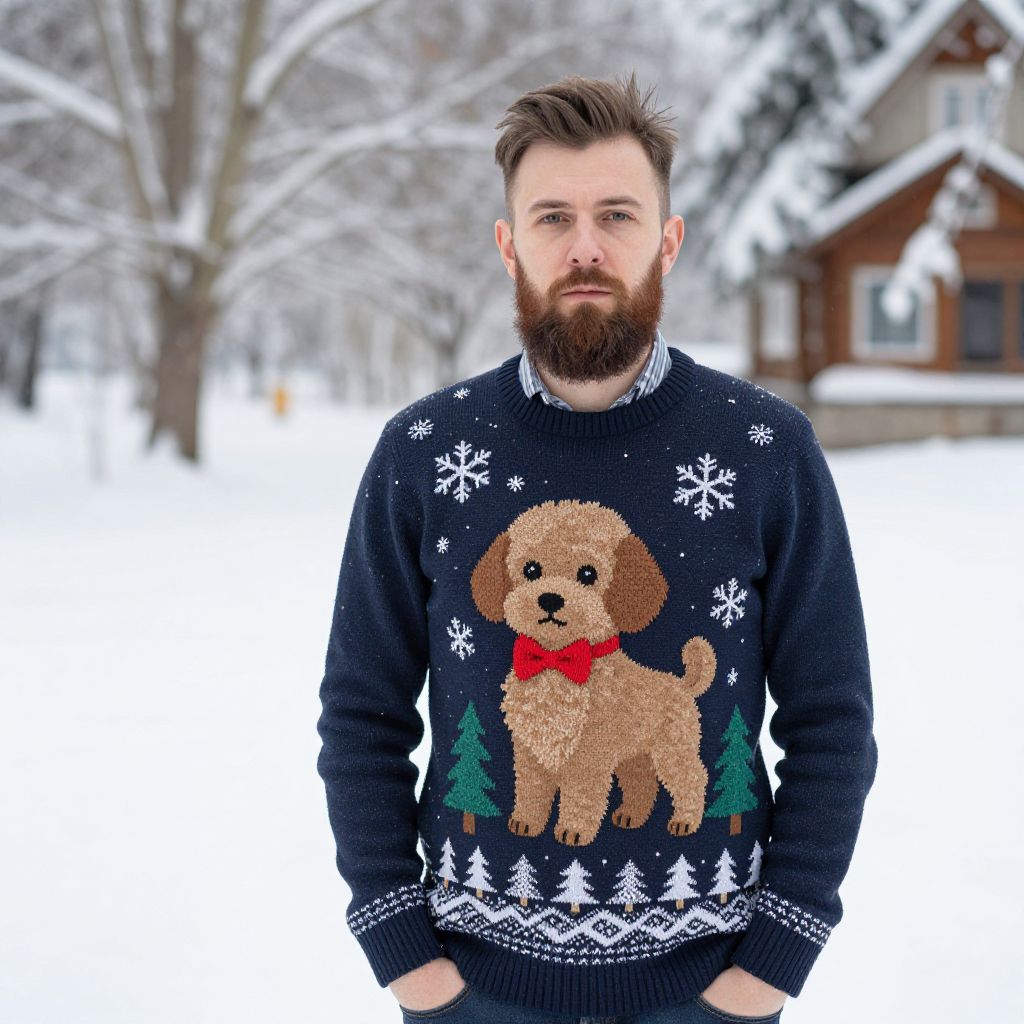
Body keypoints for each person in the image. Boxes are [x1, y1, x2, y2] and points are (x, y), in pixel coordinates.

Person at [316, 71, 878, 1023]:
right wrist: (404, 953)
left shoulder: (763, 451)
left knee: (658, 764)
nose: (585, 247)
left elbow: (832, 719)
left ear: (669, 238)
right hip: (470, 989)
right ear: (509, 245)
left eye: (617, 214)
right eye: (552, 218)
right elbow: (361, 715)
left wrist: (772, 964)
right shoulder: (423, 454)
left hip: (711, 990)